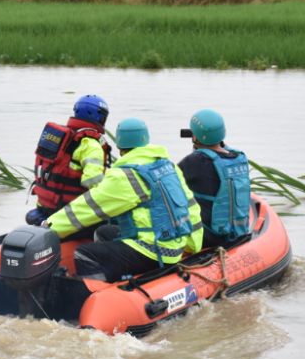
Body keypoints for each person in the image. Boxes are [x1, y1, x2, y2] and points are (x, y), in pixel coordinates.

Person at [45, 117, 203, 282]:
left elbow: (87, 208)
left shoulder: (126, 175)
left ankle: (94, 293)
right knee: (103, 233)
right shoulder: (168, 166)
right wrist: (193, 246)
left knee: (85, 254)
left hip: (155, 250)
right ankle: (118, 276)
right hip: (174, 243)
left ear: (120, 146)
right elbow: (190, 205)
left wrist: (48, 228)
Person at [25, 94, 111, 227]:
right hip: (67, 211)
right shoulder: (91, 144)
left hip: (44, 207)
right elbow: (93, 182)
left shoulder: (60, 137)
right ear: (98, 117)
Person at [177, 109, 251, 249]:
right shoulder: (239, 157)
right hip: (238, 233)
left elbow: (170, 182)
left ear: (194, 137)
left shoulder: (196, 161)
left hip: (209, 237)